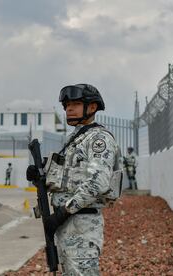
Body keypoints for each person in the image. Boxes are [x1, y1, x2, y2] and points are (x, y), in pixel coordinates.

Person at [27, 84, 122, 275]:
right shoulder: (76, 139)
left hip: (82, 222)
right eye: (67, 105)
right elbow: (70, 179)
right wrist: (41, 176)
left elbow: (98, 183)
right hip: (68, 223)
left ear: (92, 107)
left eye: (76, 104)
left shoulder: (98, 139)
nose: (69, 109)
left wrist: (62, 213)